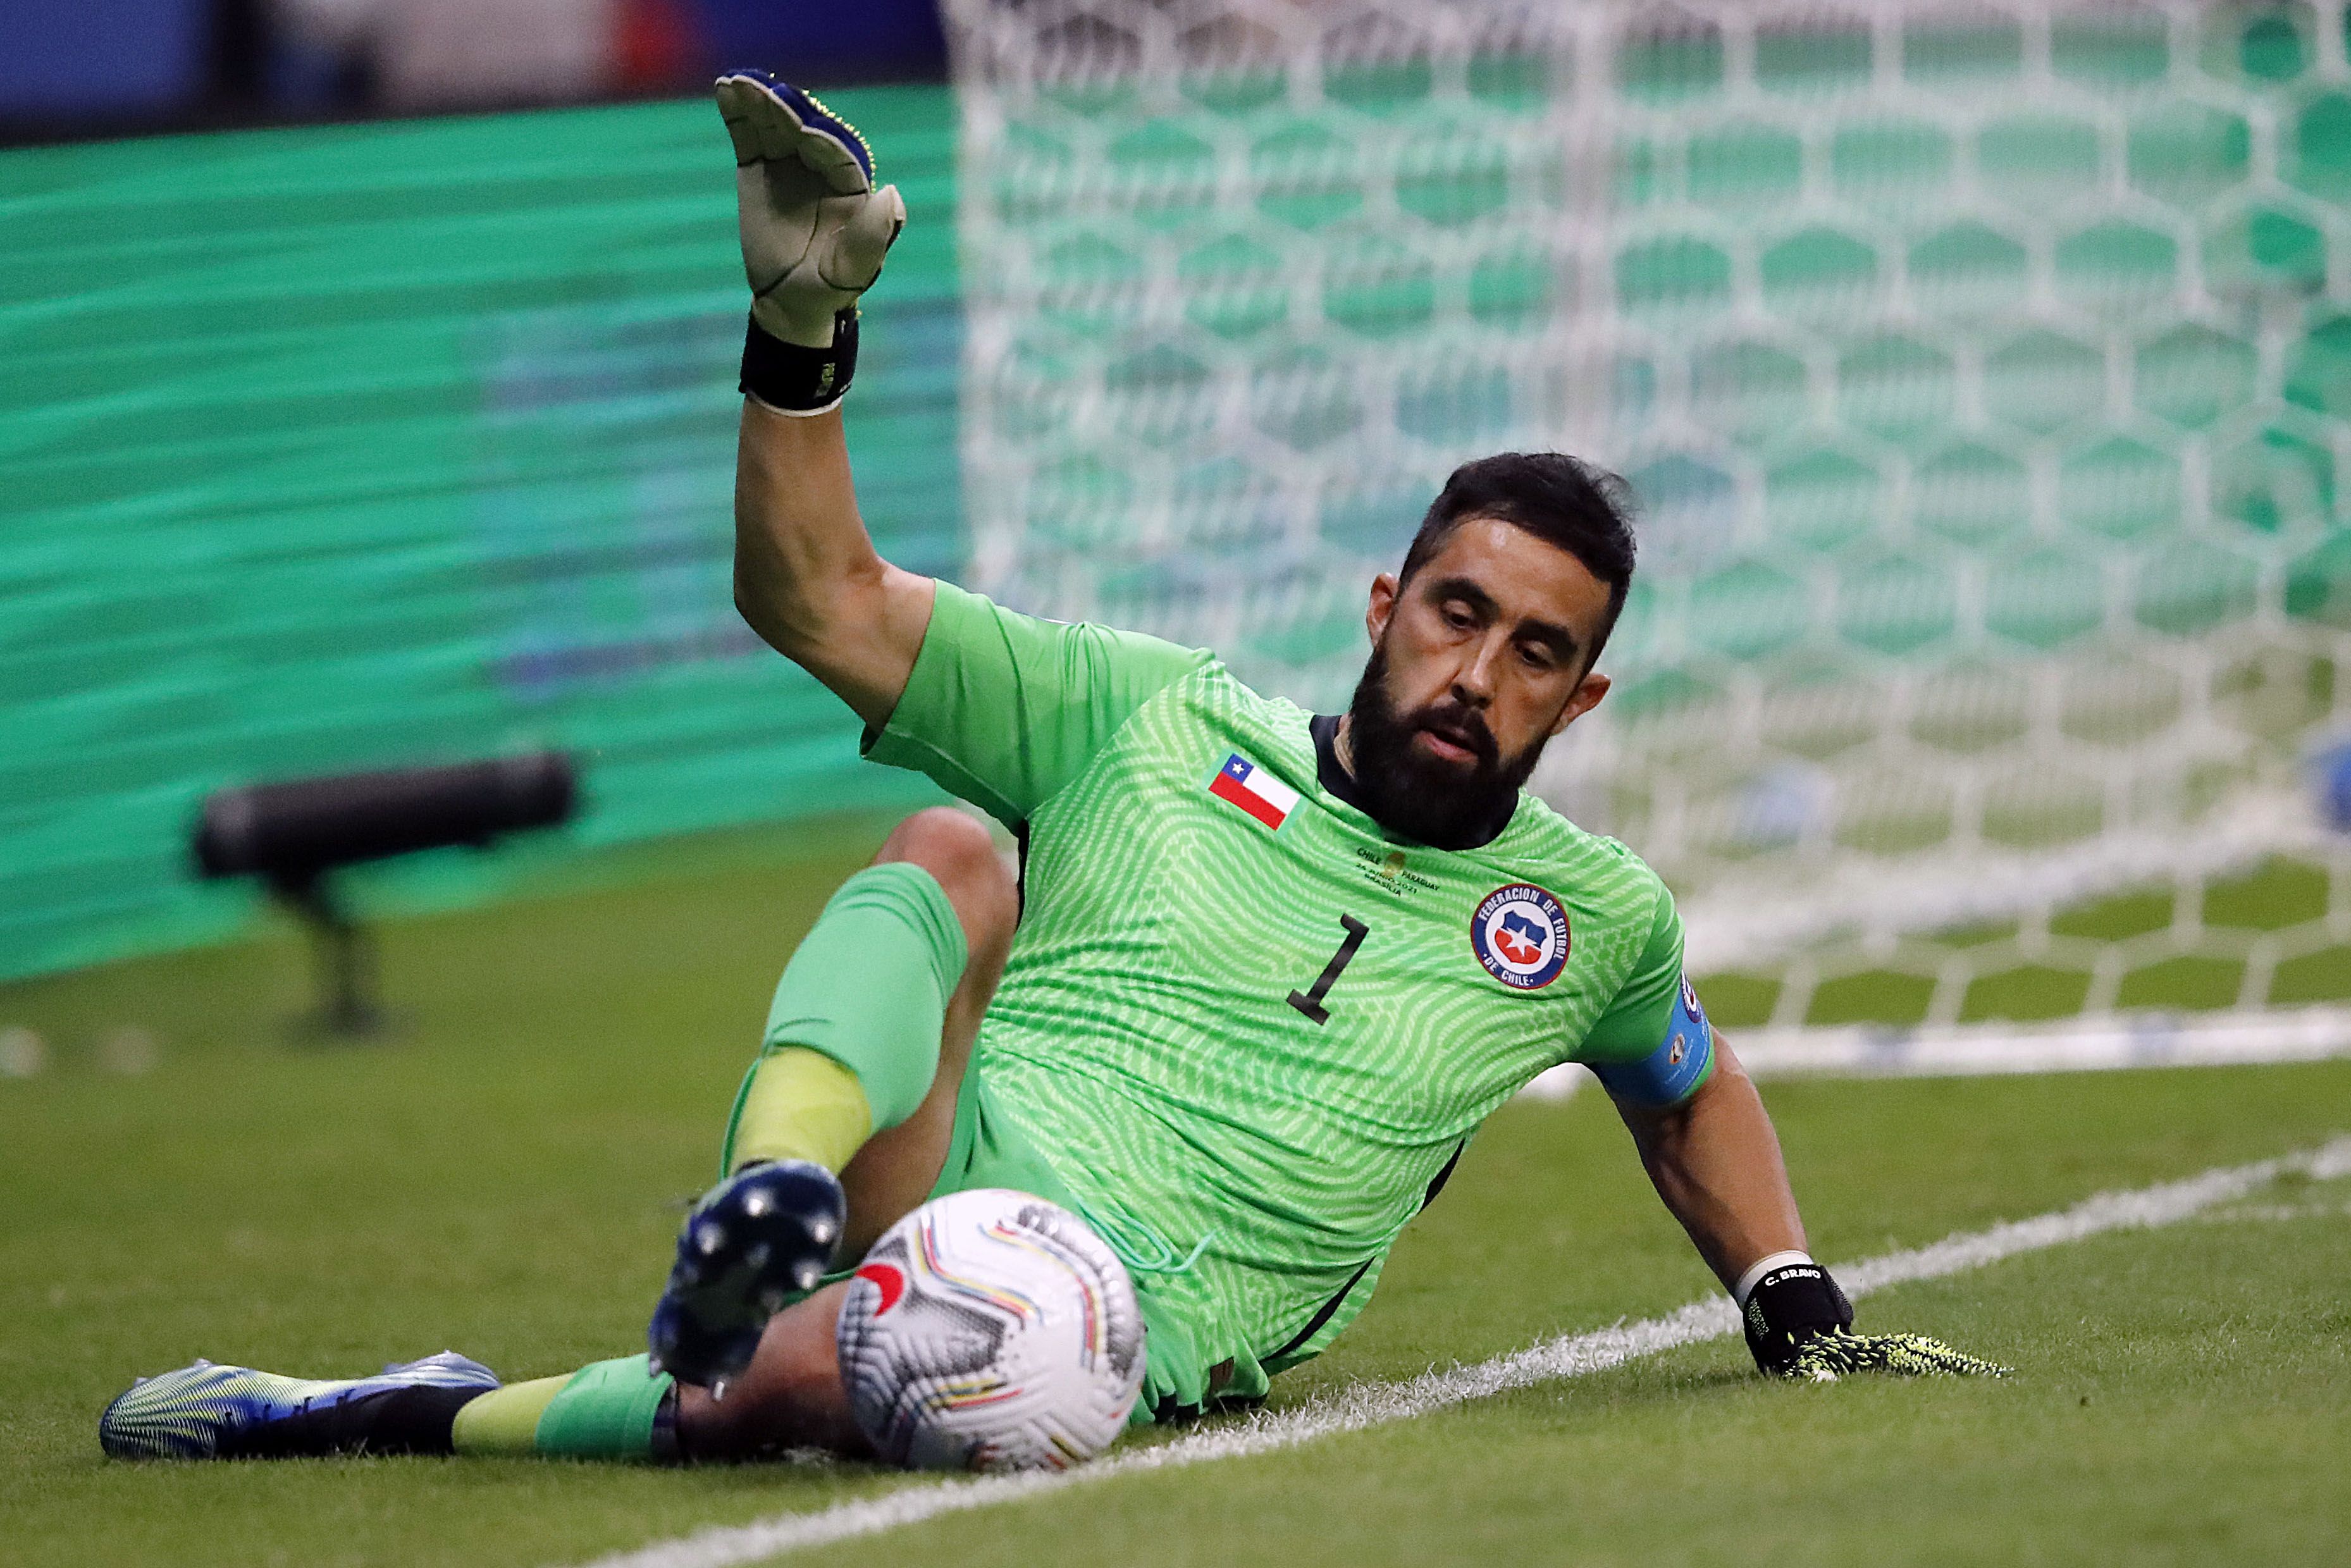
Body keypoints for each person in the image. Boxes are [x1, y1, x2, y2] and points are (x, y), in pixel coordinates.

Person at [99, 73, 1999, 1467]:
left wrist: (1787, 1290)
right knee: (954, 841)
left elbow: (1686, 1077)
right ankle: (764, 1198)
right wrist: (798, 332)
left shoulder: (1582, 921)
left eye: (1535, 652)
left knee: (780, 1405)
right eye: (1454, 612)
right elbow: (819, 598)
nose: (1475, 671)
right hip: (944, 1168)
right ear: (1381, 600)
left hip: (1128, 1314)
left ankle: (405, 1416)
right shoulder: (1150, 715)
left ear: (1580, 705)